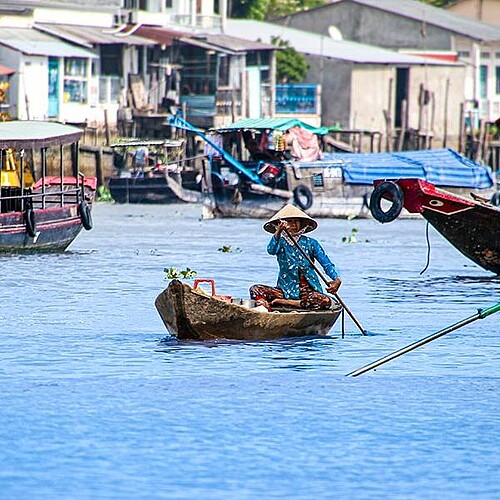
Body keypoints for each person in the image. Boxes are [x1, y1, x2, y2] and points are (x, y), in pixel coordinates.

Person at [250, 204, 342, 311]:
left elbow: (326, 264)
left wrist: (336, 279)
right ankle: (268, 310)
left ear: (301, 224)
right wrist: (278, 232)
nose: (293, 224)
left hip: (308, 293)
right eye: (289, 221)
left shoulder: (311, 243)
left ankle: (287, 303)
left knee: (323, 300)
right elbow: (271, 250)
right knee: (255, 289)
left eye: (296, 221)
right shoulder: (280, 241)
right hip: (285, 291)